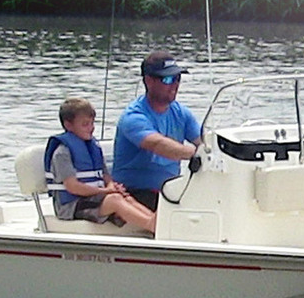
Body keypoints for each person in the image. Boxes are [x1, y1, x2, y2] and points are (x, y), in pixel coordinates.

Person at [44, 97, 156, 233]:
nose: (91, 128)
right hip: (71, 206)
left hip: (92, 199)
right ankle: (151, 226)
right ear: (68, 125)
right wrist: (106, 191)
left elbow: (105, 176)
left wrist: (111, 186)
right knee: (114, 199)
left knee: (125, 197)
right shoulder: (62, 153)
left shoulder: (93, 148)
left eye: (92, 123)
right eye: (85, 124)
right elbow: (73, 187)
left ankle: (156, 221)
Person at [111, 50, 202, 211]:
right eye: (168, 79)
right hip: (135, 193)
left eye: (177, 78)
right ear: (149, 81)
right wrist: (194, 153)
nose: (175, 84)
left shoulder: (182, 113)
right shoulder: (133, 117)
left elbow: (204, 141)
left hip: (171, 190)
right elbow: (158, 144)